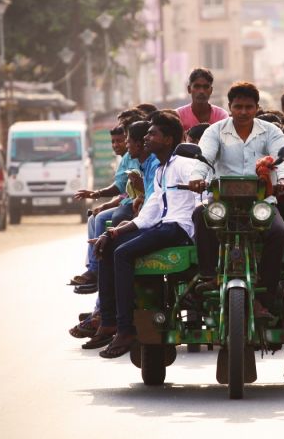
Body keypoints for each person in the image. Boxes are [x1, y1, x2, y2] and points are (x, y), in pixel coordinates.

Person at [85, 113, 198, 357]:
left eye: (152, 134)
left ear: (167, 139)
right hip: (162, 226)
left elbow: (203, 199)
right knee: (107, 246)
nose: (146, 137)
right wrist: (114, 232)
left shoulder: (184, 165)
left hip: (178, 229)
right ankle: (109, 321)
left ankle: (126, 329)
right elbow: (149, 214)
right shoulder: (161, 171)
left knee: (123, 254)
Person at [188, 81, 284, 316]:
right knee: (200, 215)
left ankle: (266, 292)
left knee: (279, 233)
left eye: (248, 107)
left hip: (261, 203)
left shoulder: (271, 131)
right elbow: (203, 158)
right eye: (238, 107)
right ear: (229, 107)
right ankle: (209, 275)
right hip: (223, 204)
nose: (243, 112)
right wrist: (197, 178)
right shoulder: (214, 131)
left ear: (257, 107)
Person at [70, 124, 133, 287]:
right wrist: (105, 202)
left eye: (120, 141)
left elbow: (122, 189)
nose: (115, 145)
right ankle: (93, 266)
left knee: (101, 218)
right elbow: (124, 189)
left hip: (136, 206)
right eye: (113, 142)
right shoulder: (126, 158)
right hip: (128, 201)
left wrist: (95, 194)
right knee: (94, 217)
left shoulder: (139, 157)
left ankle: (96, 269)